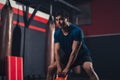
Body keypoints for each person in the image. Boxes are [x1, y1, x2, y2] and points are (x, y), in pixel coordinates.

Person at [46, 12, 99, 80]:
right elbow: (56, 51)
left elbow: (74, 52)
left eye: (61, 19)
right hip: (68, 55)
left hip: (82, 55)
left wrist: (67, 69)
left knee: (89, 68)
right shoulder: (57, 33)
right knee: (51, 68)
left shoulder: (77, 31)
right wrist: (59, 68)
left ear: (67, 19)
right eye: (56, 20)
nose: (59, 22)